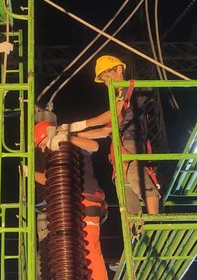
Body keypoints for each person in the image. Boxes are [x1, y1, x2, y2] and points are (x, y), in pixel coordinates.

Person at [68, 55, 161, 217]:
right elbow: (105, 130)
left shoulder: (127, 89)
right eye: (104, 80)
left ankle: (154, 220)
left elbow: (115, 114)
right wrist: (72, 134)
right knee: (123, 186)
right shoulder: (118, 96)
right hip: (121, 146)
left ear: (119, 69)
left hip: (131, 141)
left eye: (108, 76)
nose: (107, 82)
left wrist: (83, 123)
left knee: (135, 176)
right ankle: (135, 226)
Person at [31, 121, 108, 280]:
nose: (41, 148)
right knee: (75, 253)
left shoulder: (72, 145)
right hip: (73, 207)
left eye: (41, 143)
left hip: (87, 200)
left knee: (90, 250)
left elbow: (94, 146)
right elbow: (48, 178)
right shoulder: (57, 158)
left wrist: (66, 138)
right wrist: (28, 173)